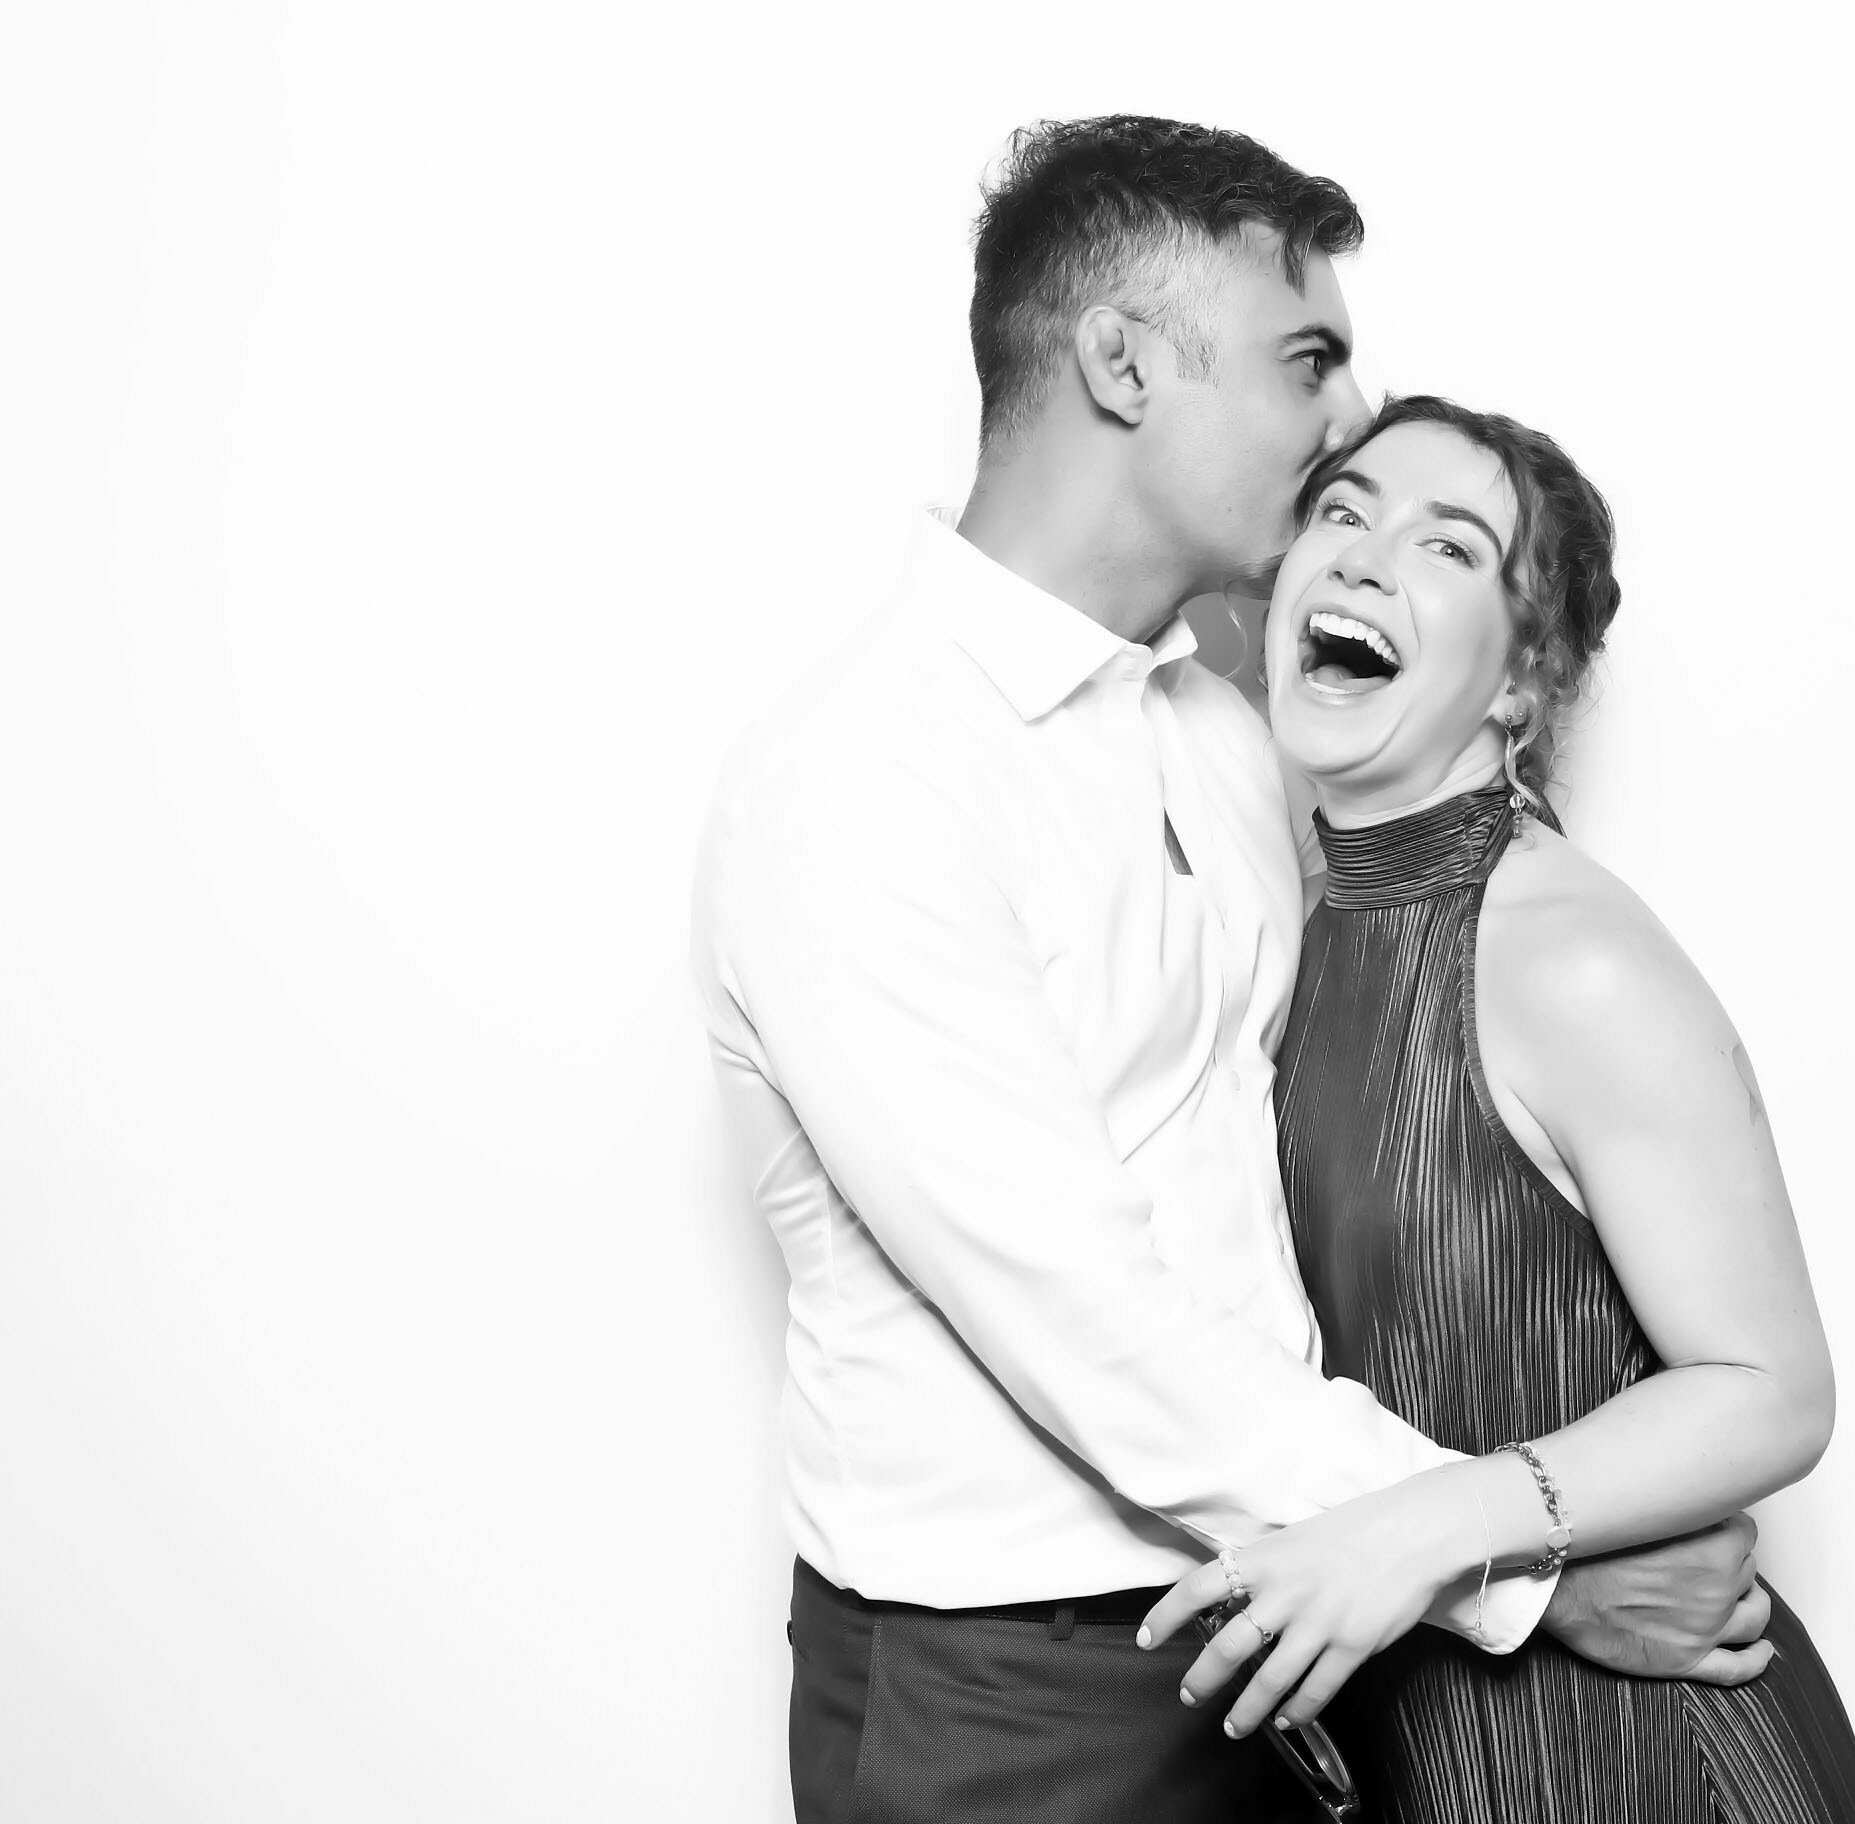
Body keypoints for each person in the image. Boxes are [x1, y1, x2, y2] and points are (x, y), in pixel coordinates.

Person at [694, 120, 1775, 1823]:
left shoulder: (1215, 729)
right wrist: (1525, 1572)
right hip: (1020, 1690)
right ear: (1124, 363)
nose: (1348, 418)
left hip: (1295, 1641)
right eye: (1306, 362)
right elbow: (1091, 1322)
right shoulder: (862, 784)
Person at [1140, 396, 1855, 1820]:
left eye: (1447, 546)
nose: (1363, 557)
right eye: (1342, 512)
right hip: (1430, 1760)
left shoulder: (1566, 954)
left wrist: (1426, 1535)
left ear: (1521, 684)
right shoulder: (1288, 929)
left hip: (1648, 1763)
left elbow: (1773, 1387)